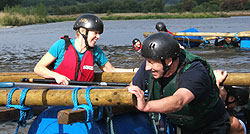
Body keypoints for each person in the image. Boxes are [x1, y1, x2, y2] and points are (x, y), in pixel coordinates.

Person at [128, 32, 230, 133]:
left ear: (168, 61)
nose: (147, 67)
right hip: (180, 126)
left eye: (151, 62)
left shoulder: (195, 71)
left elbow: (179, 101)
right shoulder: (150, 66)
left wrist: (146, 106)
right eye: (146, 60)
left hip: (210, 127)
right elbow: (133, 89)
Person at [34, 13, 134, 85]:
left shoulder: (96, 52)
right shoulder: (61, 45)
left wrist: (134, 70)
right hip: (58, 95)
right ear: (83, 31)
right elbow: (38, 68)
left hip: (82, 97)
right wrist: (56, 76)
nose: (98, 37)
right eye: (95, 33)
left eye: (99, 33)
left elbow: (111, 70)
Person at [213, 70, 249, 134]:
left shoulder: (234, 123)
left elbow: (212, 113)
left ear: (231, 99)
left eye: (223, 89)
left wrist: (215, 82)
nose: (220, 89)